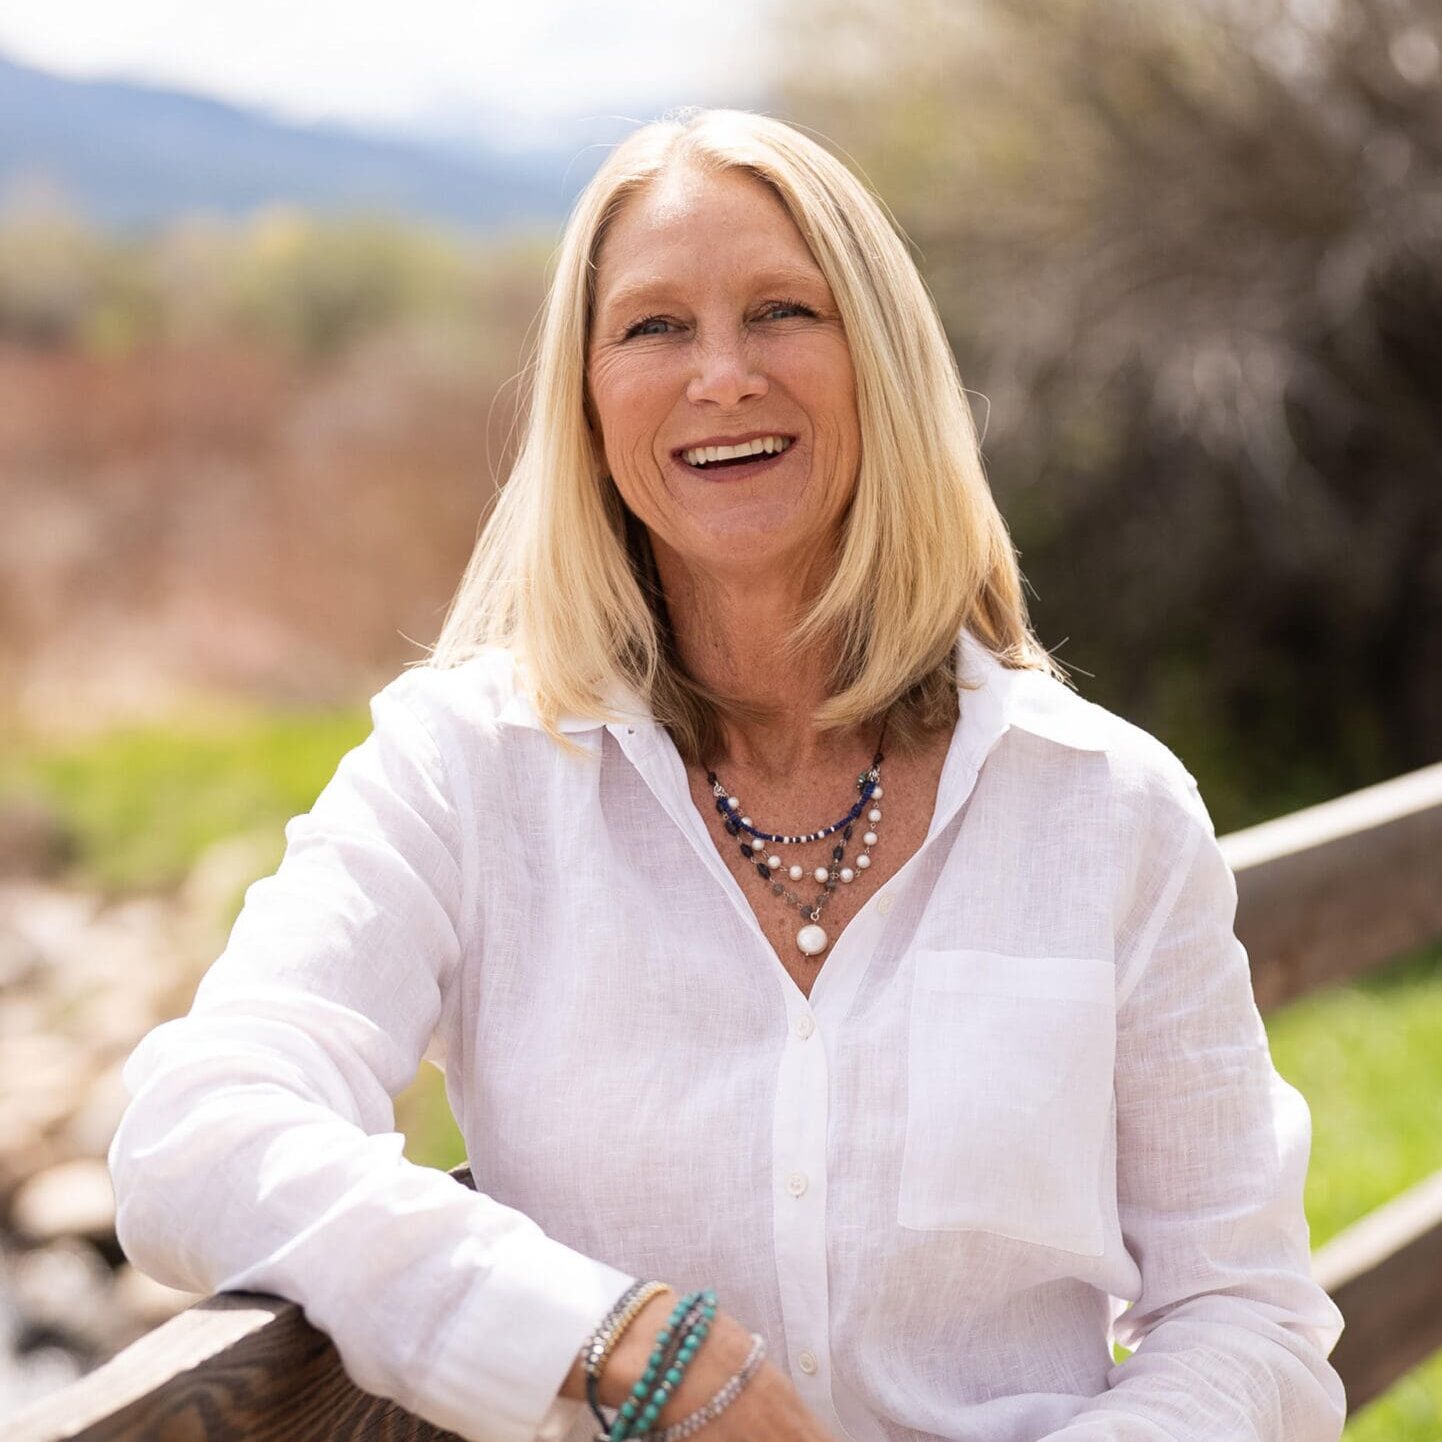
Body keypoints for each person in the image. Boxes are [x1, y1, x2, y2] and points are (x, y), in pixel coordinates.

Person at [107, 108, 1347, 1442]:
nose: (721, 375)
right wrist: (612, 1337)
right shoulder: (461, 773)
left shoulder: (1106, 806)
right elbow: (200, 1130)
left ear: (877, 358)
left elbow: (1247, 1316)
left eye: (779, 312)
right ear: (584, 399)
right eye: (651, 327)